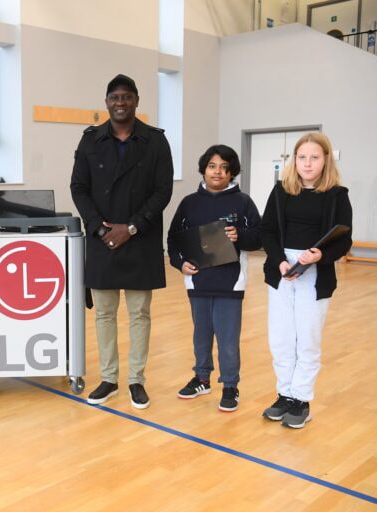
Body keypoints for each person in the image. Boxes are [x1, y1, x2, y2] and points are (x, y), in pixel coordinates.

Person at [69, 74, 174, 410]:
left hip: (139, 238)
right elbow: (79, 188)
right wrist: (100, 229)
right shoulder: (90, 140)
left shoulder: (156, 141)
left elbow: (163, 191)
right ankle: (109, 378)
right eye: (114, 97)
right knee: (104, 314)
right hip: (102, 240)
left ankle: (136, 381)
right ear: (106, 103)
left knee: (140, 314)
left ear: (136, 101)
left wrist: (130, 228)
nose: (120, 103)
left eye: (126, 97)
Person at [256, 132, 353, 429]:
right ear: (294, 160)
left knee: (307, 339)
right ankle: (284, 393)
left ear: (325, 160)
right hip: (282, 272)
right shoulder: (280, 191)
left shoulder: (337, 195)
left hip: (315, 275)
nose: (307, 163)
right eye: (302, 157)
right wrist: (280, 261)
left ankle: (301, 399)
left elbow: (343, 240)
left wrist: (318, 257)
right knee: (281, 338)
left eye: (314, 157)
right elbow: (267, 230)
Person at [167, 145, 261, 412]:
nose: (217, 171)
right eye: (212, 166)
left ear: (231, 172)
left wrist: (239, 235)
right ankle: (202, 378)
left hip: (231, 281)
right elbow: (173, 239)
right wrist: (178, 263)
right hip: (197, 281)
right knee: (201, 334)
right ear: (203, 169)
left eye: (223, 167)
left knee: (228, 338)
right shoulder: (189, 203)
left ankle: (230, 385)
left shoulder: (243, 202)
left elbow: (259, 237)